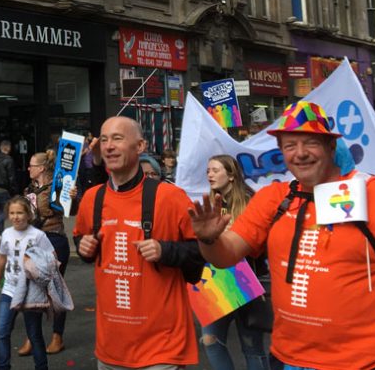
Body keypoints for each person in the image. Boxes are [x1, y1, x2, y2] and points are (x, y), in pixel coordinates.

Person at [190, 101, 375, 370]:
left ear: (331, 146)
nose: (299, 154)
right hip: (290, 360)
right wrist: (208, 239)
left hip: (369, 361)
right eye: (289, 145)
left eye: (310, 143)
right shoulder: (272, 199)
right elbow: (226, 255)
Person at [74, 116, 201, 370]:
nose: (108, 146)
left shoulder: (171, 197)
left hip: (162, 349)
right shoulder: (91, 198)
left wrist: (165, 250)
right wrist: (83, 247)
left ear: (140, 146)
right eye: (105, 139)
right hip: (110, 347)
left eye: (118, 139)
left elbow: (201, 254)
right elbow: (84, 241)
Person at [200, 155, 268, 370]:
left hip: (246, 277)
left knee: (252, 348)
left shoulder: (250, 200)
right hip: (218, 277)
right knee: (210, 340)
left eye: (215, 170)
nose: (210, 174)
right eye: (208, 170)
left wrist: (237, 237)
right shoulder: (212, 202)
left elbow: (263, 243)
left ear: (231, 175)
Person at [15, 150, 68, 356]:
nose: (28, 168)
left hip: (54, 239)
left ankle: (57, 336)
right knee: (33, 292)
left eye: (32, 165)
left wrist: (70, 195)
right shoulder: (28, 189)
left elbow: (68, 208)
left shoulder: (57, 186)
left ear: (42, 168)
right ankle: (32, 337)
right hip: (34, 242)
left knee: (54, 290)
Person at [0, 197, 52, 370]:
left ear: (28, 214)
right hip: (10, 290)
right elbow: (3, 256)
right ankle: (3, 367)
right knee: (2, 332)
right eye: (12, 213)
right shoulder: (6, 234)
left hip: (30, 292)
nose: (15, 217)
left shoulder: (38, 236)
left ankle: (41, 367)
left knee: (34, 334)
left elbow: (52, 257)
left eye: (19, 212)